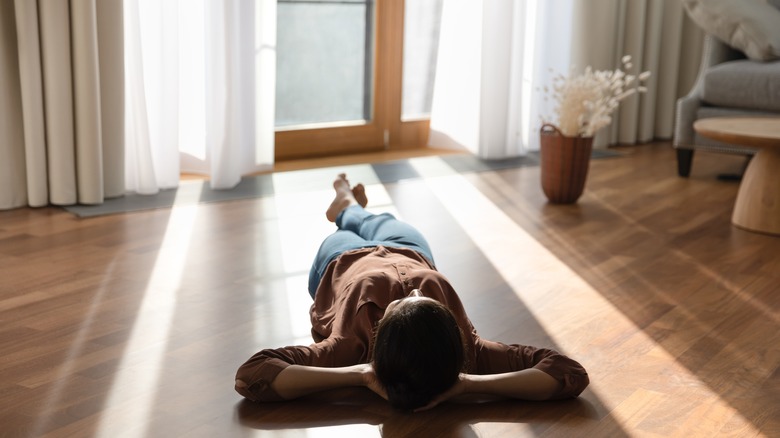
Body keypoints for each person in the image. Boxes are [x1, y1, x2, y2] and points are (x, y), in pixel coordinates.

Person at [235, 174, 589, 411]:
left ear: (380, 333)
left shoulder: (347, 348)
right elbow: (567, 371)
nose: (415, 290)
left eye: (402, 303)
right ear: (450, 331)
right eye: (426, 300)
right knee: (381, 221)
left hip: (341, 260)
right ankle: (349, 205)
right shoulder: (468, 349)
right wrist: (468, 382)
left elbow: (253, 374)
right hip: (410, 250)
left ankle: (346, 207)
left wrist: (360, 374)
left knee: (349, 229)